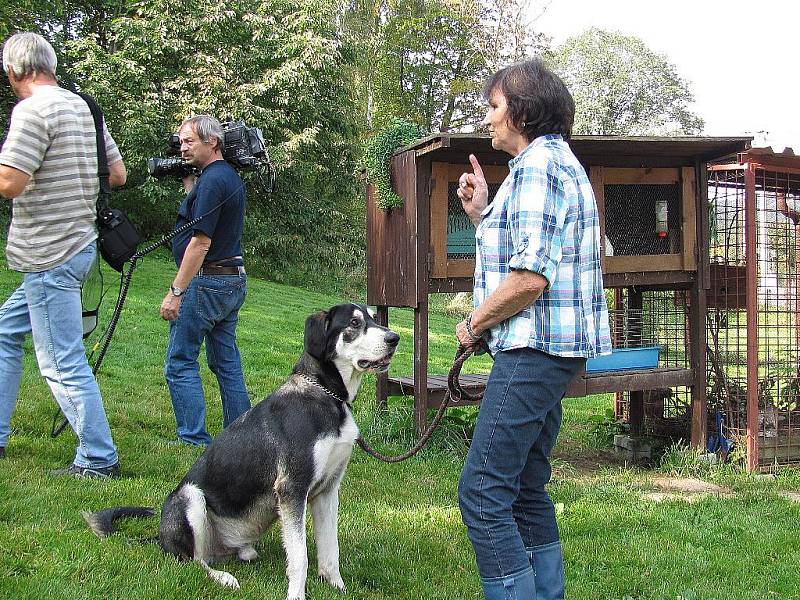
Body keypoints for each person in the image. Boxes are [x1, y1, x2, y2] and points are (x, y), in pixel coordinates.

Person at [455, 58, 611, 599]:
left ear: (520, 111)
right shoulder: (549, 165)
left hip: (534, 349)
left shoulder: (538, 169)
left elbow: (528, 279)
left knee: (481, 492)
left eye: (495, 106)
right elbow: (525, 254)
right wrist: (481, 213)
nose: (489, 117)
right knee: (523, 487)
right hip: (548, 350)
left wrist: (474, 322)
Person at [0, 32, 127, 478]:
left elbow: (10, 182)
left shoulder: (32, 110)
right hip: (80, 246)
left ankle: (97, 457)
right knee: (3, 331)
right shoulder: (85, 108)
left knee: (59, 359)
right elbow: (117, 174)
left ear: (14, 71)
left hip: (49, 252)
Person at [160, 115, 250, 446]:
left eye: (189, 141)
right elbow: (201, 212)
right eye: (181, 142)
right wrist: (189, 183)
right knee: (225, 361)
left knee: (180, 361)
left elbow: (201, 242)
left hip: (207, 282)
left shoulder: (214, 181)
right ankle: (243, 434)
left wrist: (176, 292)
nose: (182, 147)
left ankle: (193, 437)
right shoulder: (224, 177)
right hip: (231, 279)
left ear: (212, 142)